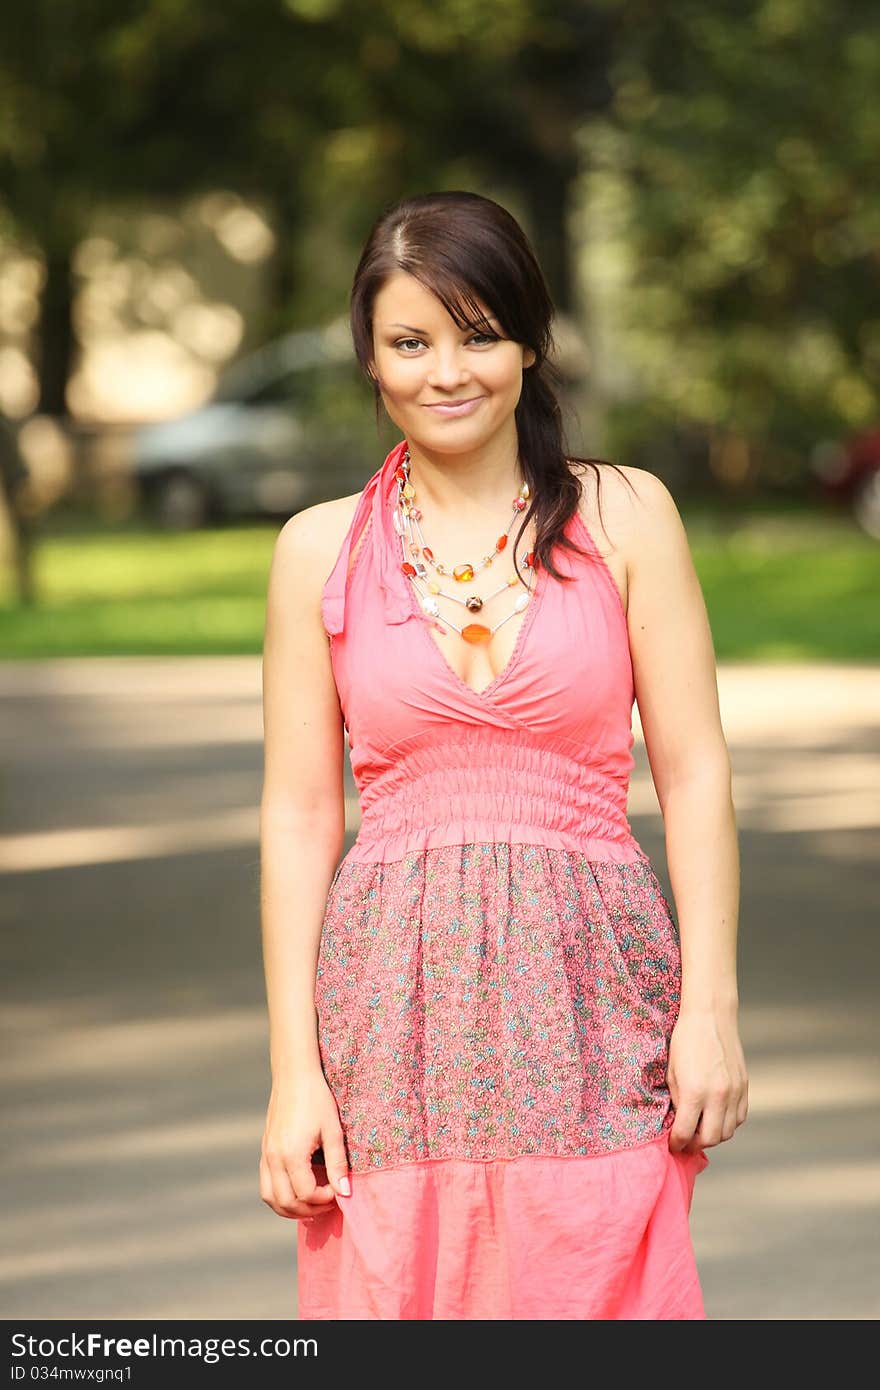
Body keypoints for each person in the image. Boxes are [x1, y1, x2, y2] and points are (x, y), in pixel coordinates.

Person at [259, 190, 748, 1320]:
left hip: (596, 999)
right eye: (410, 341)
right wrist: (295, 1073)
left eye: (478, 333)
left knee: (601, 1284)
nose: (447, 371)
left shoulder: (628, 516)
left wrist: (709, 1010)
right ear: (371, 361)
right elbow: (297, 818)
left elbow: (695, 772)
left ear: (530, 339)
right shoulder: (316, 549)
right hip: (387, 1018)